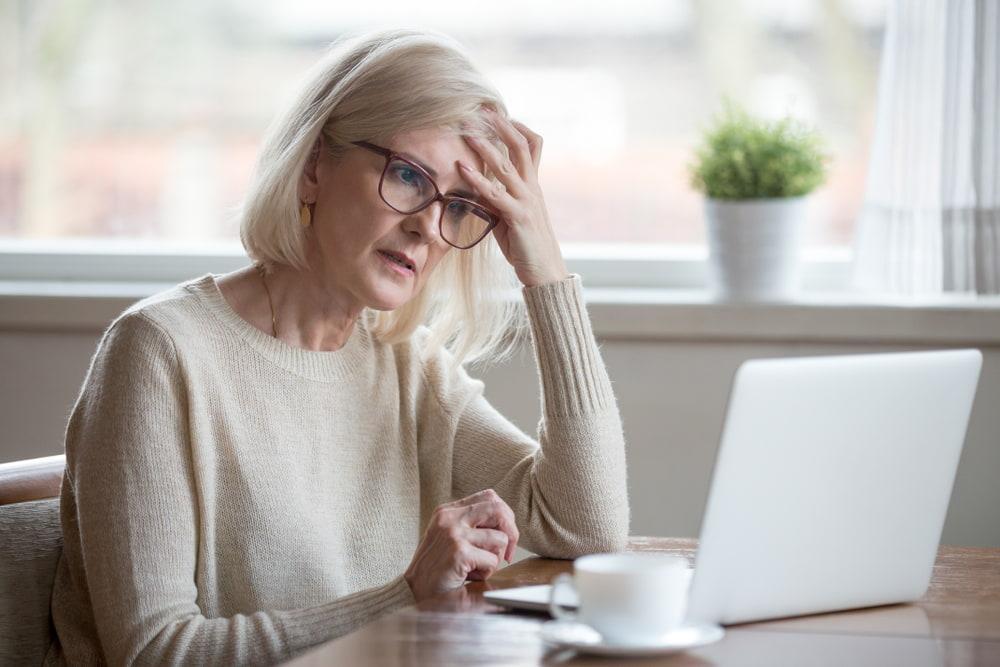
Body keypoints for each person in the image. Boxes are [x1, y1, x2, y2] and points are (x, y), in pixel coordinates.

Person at [48, 29, 629, 665]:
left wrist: (542, 266)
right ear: (314, 167)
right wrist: (402, 597)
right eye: (408, 176)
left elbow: (584, 525)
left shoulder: (408, 363)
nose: (428, 228)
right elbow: (154, 653)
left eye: (459, 207)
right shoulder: (159, 352)